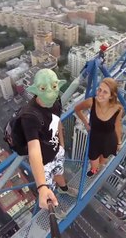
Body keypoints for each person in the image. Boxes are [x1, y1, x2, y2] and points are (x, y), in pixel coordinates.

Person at [22, 69, 78, 211]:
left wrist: (62, 145)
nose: (50, 93)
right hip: (43, 162)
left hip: (56, 151)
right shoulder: (29, 115)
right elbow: (33, 149)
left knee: (59, 173)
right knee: (48, 191)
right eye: (43, 88)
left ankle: (64, 189)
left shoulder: (56, 100)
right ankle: (53, 207)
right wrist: (41, 186)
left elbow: (57, 121)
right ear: (36, 90)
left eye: (54, 87)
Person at [74, 78, 123, 177]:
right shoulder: (91, 102)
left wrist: (119, 142)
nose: (100, 94)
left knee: (103, 160)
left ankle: (99, 168)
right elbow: (77, 109)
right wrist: (86, 123)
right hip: (95, 140)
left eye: (105, 92)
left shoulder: (117, 109)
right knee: (94, 163)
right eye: (99, 89)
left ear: (111, 96)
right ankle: (94, 170)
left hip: (109, 140)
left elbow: (117, 126)